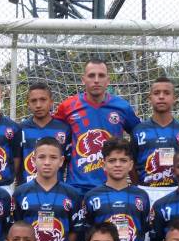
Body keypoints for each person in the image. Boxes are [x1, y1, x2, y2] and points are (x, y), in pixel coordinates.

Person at [54, 59, 141, 195]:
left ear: (108, 80)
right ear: (83, 80)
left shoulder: (122, 107)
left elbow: (139, 136)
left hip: (112, 186)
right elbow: (53, 134)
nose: (96, 80)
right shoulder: (68, 106)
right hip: (77, 187)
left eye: (101, 75)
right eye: (91, 75)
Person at [83, 138, 150, 241]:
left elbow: (145, 230)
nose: (117, 165)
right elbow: (87, 233)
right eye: (112, 160)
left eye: (123, 160)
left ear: (131, 165)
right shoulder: (91, 196)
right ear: (103, 164)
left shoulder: (142, 195)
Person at [131, 76, 179, 206]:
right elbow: (131, 163)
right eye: (157, 93)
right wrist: (138, 187)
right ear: (150, 98)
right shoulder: (139, 130)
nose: (161, 97)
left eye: (166, 93)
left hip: (177, 190)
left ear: (174, 98)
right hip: (146, 190)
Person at [18, 82, 70, 183]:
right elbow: (16, 161)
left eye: (43, 100)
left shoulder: (64, 129)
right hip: (27, 188)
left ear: (51, 102)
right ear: (28, 104)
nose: (38, 105)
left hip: (56, 188)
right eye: (34, 101)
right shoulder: (20, 129)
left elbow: (70, 162)